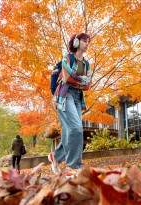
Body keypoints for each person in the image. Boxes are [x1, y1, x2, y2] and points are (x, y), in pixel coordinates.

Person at [50, 33, 91, 178]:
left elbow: (88, 85)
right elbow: (65, 78)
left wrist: (76, 79)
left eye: (88, 42)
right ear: (76, 42)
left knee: (70, 131)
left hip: (78, 98)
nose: (87, 44)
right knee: (76, 129)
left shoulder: (86, 64)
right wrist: (80, 80)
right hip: (64, 95)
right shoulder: (67, 58)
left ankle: (56, 156)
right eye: (84, 41)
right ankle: (73, 167)